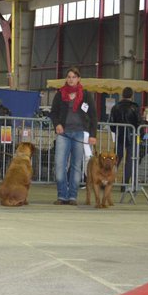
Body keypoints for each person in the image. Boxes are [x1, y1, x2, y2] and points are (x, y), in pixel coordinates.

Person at [49, 67, 97, 205]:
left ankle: (72, 196)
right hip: (63, 134)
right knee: (59, 165)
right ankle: (62, 195)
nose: (71, 79)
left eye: (74, 77)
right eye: (69, 77)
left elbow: (93, 115)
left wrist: (93, 134)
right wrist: (57, 124)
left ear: (79, 79)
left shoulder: (86, 95)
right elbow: (53, 113)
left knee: (76, 166)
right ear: (66, 79)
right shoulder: (60, 94)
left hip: (80, 133)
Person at [109, 87, 140, 190]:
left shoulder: (115, 107)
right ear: (132, 95)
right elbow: (139, 123)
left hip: (119, 136)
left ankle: (108, 180)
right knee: (130, 161)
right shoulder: (134, 107)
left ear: (122, 95)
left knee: (116, 160)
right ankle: (125, 184)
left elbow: (111, 124)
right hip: (132, 136)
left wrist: (117, 131)